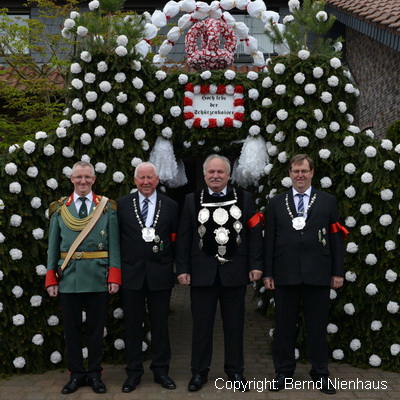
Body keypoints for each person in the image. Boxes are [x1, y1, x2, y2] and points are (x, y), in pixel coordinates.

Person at [176, 154, 264, 392]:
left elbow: (254, 235)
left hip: (235, 273)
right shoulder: (192, 200)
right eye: (211, 172)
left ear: (228, 175)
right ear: (204, 175)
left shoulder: (245, 199)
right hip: (202, 274)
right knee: (201, 327)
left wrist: (256, 265)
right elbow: (184, 237)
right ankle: (199, 372)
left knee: (235, 327)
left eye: (220, 172)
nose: (215, 176)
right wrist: (182, 268)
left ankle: (235, 371)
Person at [263, 154, 347, 395]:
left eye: (304, 171)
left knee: (317, 327)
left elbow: (335, 237)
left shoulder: (327, 201)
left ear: (312, 173)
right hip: (285, 274)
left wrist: (337, 271)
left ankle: (320, 373)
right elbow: (270, 240)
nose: (300, 175)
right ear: (289, 173)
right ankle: (283, 372)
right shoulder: (277, 202)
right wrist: (268, 272)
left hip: (318, 273)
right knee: (284, 327)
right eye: (295, 171)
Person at [45, 161, 121, 395]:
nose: (83, 181)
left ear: (94, 179)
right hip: (68, 277)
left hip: (98, 276)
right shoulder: (59, 209)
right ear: (71, 179)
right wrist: (51, 278)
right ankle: (76, 374)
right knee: (72, 330)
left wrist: (115, 275)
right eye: (78, 177)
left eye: (87, 177)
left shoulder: (106, 208)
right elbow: (53, 246)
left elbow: (114, 245)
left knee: (97, 330)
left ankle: (95, 374)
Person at [116, 162, 178, 392]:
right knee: (133, 326)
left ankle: (161, 371)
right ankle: (133, 373)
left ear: (157, 179)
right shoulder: (121, 205)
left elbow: (176, 240)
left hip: (160, 275)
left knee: (160, 325)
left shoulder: (170, 205)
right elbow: (116, 239)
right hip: (131, 274)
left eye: (150, 177)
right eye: (141, 178)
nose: (145, 182)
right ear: (134, 181)